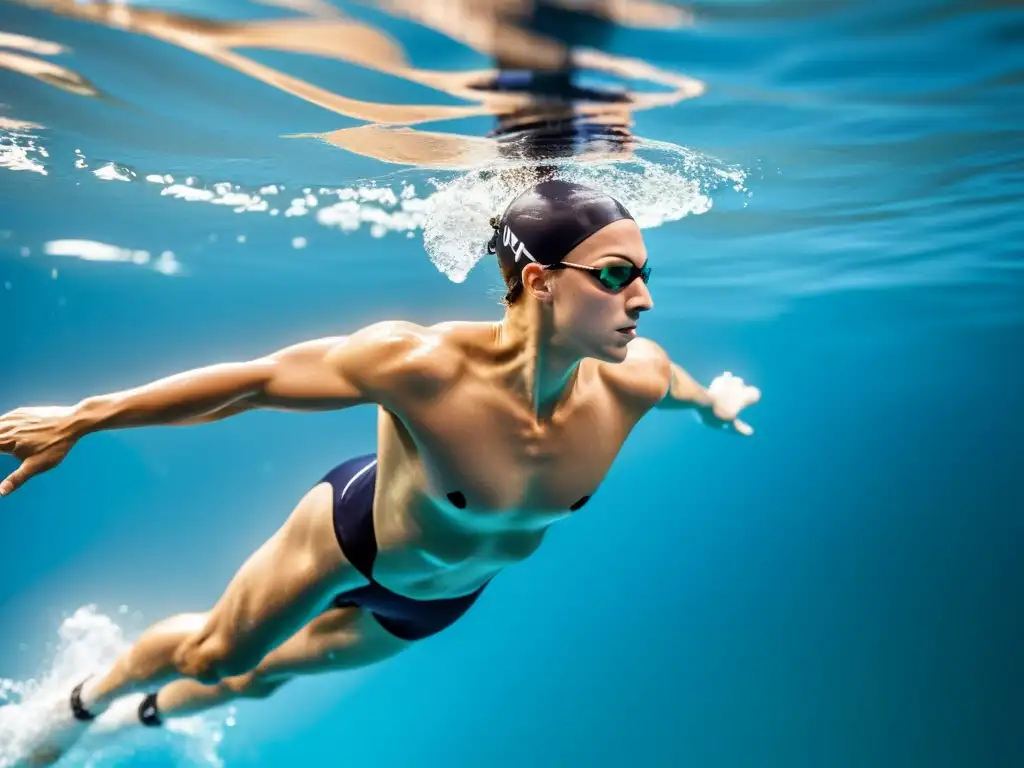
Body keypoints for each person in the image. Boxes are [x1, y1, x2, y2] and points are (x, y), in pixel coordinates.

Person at [0, 179, 760, 765]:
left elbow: (685, 390)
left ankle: (135, 721)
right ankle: (79, 704)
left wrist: (715, 405)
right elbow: (255, 381)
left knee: (264, 680)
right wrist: (83, 417)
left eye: (645, 273)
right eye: (617, 274)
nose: (644, 298)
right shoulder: (424, 367)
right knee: (220, 656)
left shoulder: (636, 379)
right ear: (539, 282)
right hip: (351, 537)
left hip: (440, 600)